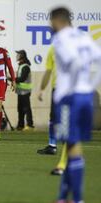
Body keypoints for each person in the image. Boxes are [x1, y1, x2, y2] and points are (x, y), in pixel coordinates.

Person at [50, 7, 101, 202]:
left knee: (70, 145)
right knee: (73, 146)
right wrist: (89, 85)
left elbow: (73, 61)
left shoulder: (61, 39)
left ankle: (77, 199)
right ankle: (64, 197)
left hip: (69, 99)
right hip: (85, 97)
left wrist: (67, 90)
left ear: (56, 21)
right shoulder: (83, 36)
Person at [37, 46, 68, 176]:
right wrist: (42, 89)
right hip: (57, 90)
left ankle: (64, 163)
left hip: (71, 90)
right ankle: (52, 146)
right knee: (54, 118)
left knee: (66, 125)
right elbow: (48, 71)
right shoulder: (53, 49)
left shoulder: (77, 46)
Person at [15, 50, 34, 131]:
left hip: (25, 92)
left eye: (18, 55)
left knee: (26, 108)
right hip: (20, 91)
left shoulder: (25, 66)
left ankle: (30, 125)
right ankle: (20, 125)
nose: (16, 56)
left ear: (22, 56)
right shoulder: (21, 65)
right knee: (20, 109)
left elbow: (22, 78)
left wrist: (13, 79)